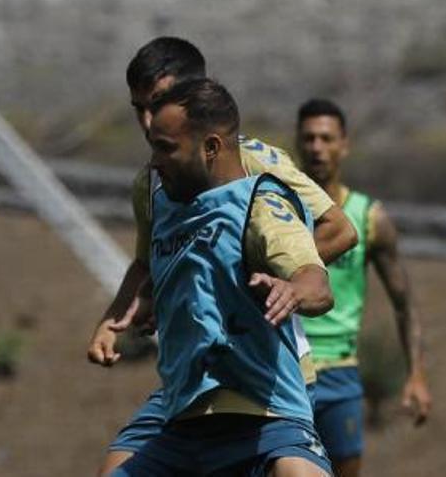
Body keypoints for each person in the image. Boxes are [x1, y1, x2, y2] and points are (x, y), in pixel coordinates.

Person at [88, 37, 356, 474]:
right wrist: (124, 311)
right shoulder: (153, 183)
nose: (147, 119)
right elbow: (147, 265)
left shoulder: (256, 171)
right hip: (191, 387)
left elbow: (339, 232)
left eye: (156, 103)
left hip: (260, 380)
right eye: (139, 108)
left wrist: (243, 277)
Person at [295, 98, 433, 477]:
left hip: (340, 372)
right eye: (308, 139)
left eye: (326, 138)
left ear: (344, 144)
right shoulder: (276, 210)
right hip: (285, 367)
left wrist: (416, 375)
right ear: (297, 143)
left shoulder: (368, 218)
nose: (317, 148)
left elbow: (404, 303)